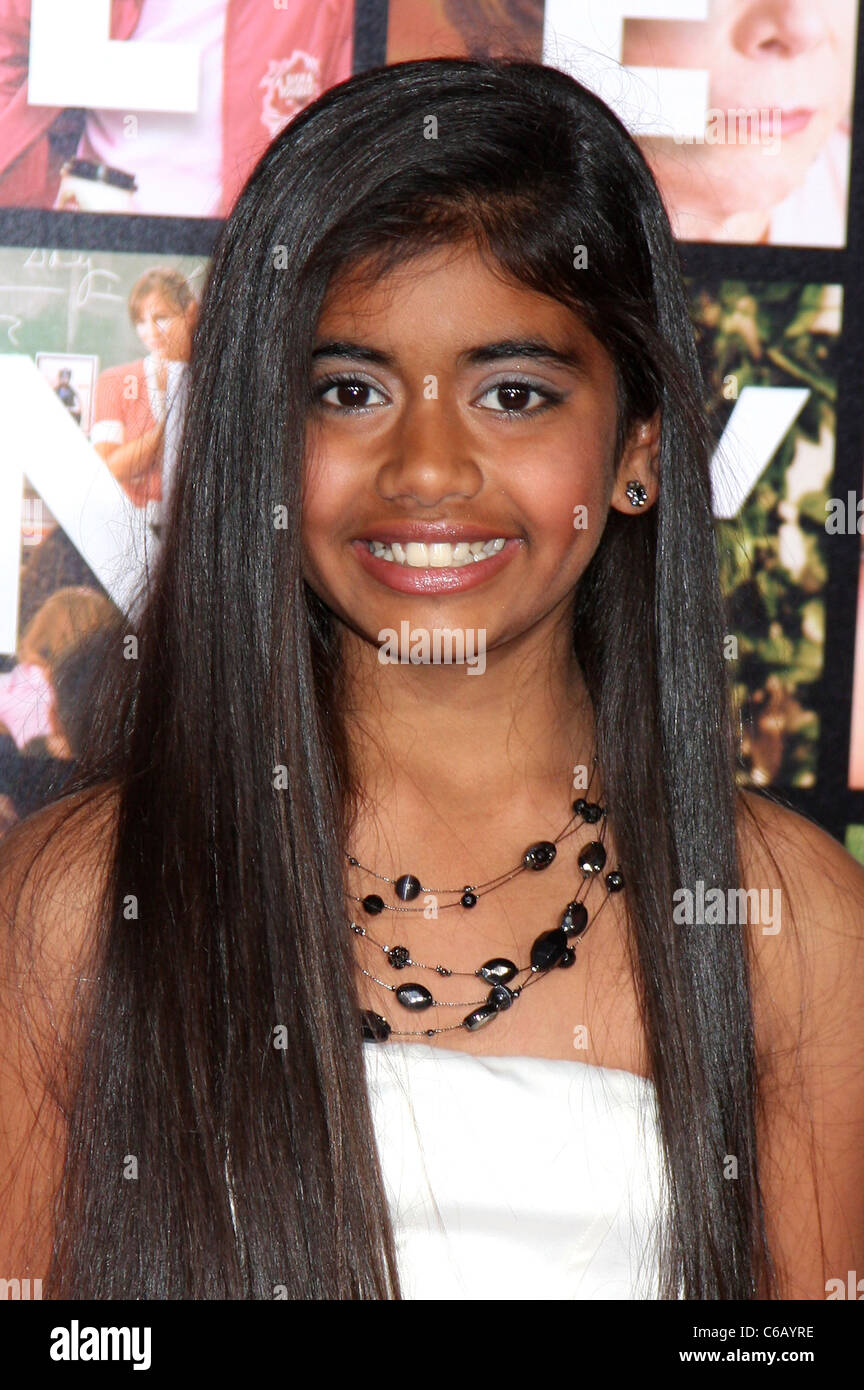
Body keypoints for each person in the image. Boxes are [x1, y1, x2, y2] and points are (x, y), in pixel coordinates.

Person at [0, 56, 862, 1302]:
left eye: (513, 394)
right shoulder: (72, 911)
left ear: (641, 450)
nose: (425, 468)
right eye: (349, 392)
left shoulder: (788, 926)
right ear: (259, 436)